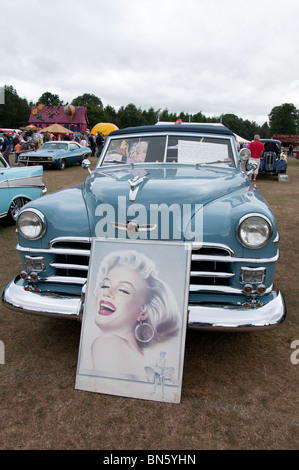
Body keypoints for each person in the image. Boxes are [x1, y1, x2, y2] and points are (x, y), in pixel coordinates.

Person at [91, 249, 180, 379]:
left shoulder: (107, 344)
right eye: (105, 286)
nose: (107, 293)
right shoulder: (138, 355)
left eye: (123, 290)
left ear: (143, 312)